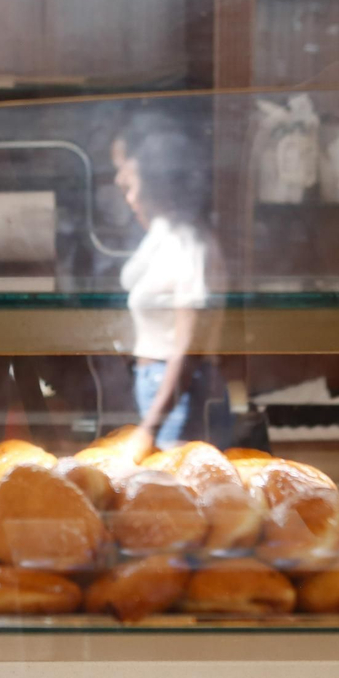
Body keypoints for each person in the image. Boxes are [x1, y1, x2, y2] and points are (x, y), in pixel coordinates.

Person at [111, 116, 223, 453]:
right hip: (160, 390)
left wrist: (151, 426)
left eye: (133, 185)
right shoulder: (161, 236)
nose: (129, 197)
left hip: (179, 397)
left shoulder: (188, 245)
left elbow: (189, 349)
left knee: (182, 498)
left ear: (156, 183)